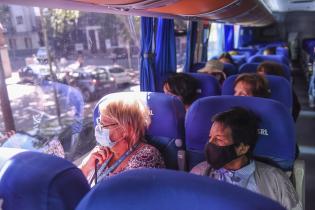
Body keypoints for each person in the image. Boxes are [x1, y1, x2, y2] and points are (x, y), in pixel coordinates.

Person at [191, 107, 302, 210]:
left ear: (242, 148)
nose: (210, 144)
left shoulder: (275, 181)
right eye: (210, 137)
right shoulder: (199, 173)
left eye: (218, 139)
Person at [79, 97, 165, 185]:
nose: (98, 129)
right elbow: (73, 184)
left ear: (125, 130)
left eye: (104, 125)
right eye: (99, 123)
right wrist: (85, 167)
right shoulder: (103, 152)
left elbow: (126, 196)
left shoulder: (146, 156)